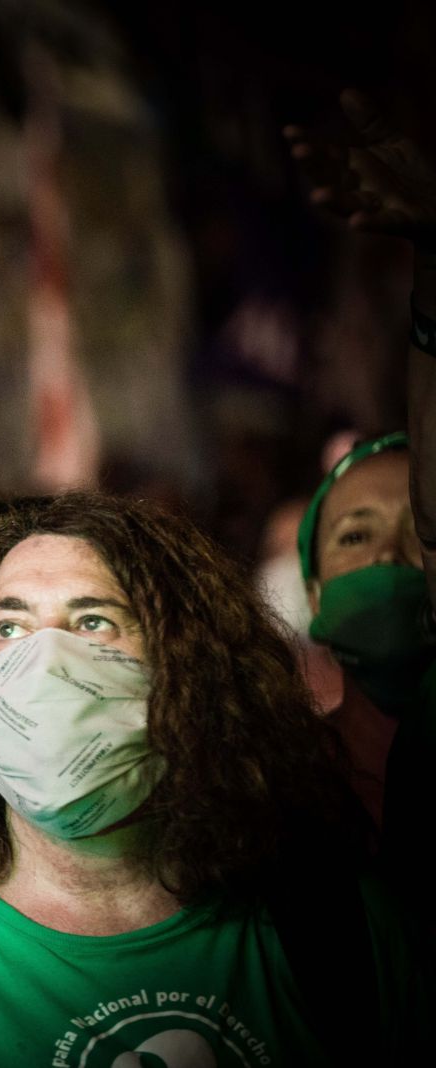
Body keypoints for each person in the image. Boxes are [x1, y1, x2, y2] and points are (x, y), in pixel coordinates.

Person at [0, 493, 424, 1066]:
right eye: (8, 628)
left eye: (92, 621)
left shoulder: (340, 931)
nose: (43, 660)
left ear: (186, 667)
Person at [285, 91, 436, 863]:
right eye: (356, 533)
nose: (388, 557)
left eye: (420, 534)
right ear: (313, 589)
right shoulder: (265, 800)